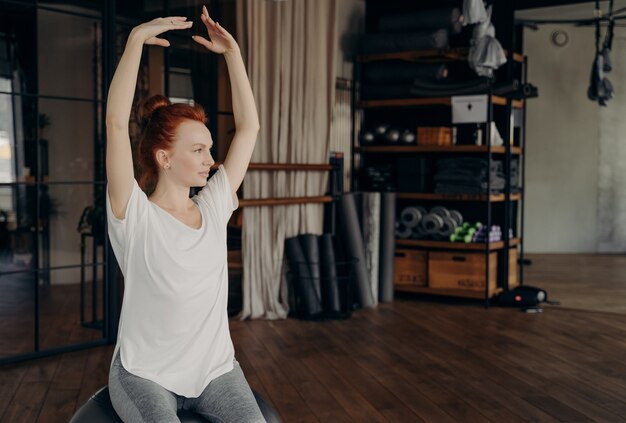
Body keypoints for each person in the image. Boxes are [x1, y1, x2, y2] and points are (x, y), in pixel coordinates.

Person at [105, 6, 263, 422]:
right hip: (145, 374)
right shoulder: (133, 213)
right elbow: (116, 124)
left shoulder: (212, 206)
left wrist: (233, 55)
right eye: (198, 150)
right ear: (164, 158)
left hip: (214, 371)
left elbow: (249, 129)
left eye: (209, 148)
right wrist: (135, 40)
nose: (211, 160)